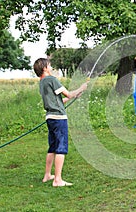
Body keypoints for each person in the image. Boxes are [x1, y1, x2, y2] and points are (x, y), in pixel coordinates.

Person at [33, 58, 88, 187]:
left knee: (52, 146)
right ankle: (57, 180)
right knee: (61, 148)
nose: (51, 67)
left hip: (50, 118)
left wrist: (74, 94)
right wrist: (81, 88)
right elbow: (68, 94)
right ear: (45, 67)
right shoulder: (52, 80)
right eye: (50, 65)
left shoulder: (42, 83)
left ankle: (47, 175)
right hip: (59, 118)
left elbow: (58, 100)